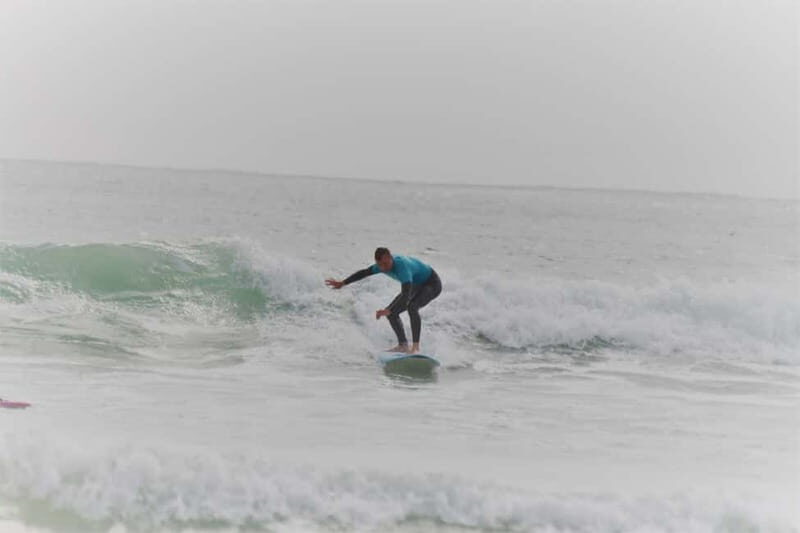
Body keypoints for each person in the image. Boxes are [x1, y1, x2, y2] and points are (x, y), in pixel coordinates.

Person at [325, 247, 442, 354]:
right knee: (391, 314)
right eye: (380, 265)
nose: (383, 268)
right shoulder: (380, 266)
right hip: (416, 285)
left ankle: (415, 348)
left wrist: (390, 310)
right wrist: (343, 283)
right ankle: (403, 345)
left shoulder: (402, 266)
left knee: (412, 307)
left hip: (431, 283)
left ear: (390, 258)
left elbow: (406, 294)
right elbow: (364, 273)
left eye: (385, 264)